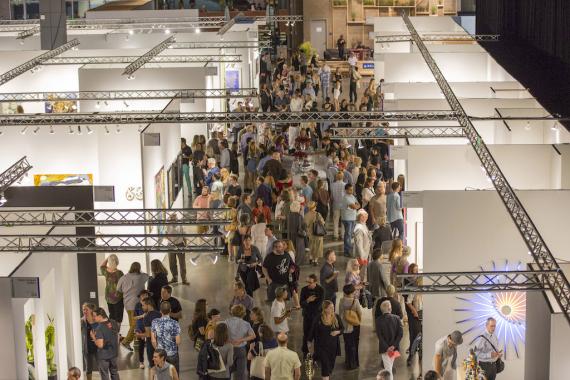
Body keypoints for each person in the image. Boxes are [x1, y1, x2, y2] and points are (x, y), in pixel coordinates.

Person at [116, 262, 149, 351]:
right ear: (139, 268)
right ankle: (126, 342)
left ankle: (136, 342)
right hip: (137, 305)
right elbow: (147, 276)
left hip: (127, 304)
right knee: (134, 325)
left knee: (133, 324)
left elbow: (118, 289)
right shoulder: (141, 277)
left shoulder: (123, 277)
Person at [308, 300, 343, 380]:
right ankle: (325, 376)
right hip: (321, 346)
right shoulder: (319, 318)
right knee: (325, 366)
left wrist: (337, 332)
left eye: (333, 307)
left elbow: (342, 329)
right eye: (330, 307)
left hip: (333, 346)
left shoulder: (336, 317)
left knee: (330, 365)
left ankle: (324, 370)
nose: (332, 309)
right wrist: (309, 341)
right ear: (325, 309)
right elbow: (312, 330)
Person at [225, 305, 256, 380]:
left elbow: (222, 334)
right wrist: (241, 340)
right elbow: (253, 336)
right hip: (241, 349)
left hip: (229, 348)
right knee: (241, 373)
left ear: (232, 312)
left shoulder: (227, 321)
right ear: (243, 313)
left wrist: (228, 341)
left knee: (227, 371)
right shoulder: (246, 324)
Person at [151, 301, 182, 375]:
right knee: (174, 375)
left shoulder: (155, 322)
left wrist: (158, 350)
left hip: (160, 355)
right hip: (172, 354)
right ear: (170, 310)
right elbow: (178, 341)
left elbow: (153, 340)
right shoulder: (175, 323)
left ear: (160, 310)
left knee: (161, 376)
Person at [375, 300, 403, 377]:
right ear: (390, 309)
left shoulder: (378, 320)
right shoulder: (397, 318)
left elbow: (379, 336)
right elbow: (400, 334)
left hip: (384, 349)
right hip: (394, 348)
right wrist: (393, 346)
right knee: (389, 367)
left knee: (388, 369)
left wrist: (387, 347)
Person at [90, 308, 120, 380]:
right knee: (114, 373)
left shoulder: (99, 328)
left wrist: (93, 337)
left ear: (100, 316)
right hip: (114, 353)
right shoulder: (113, 322)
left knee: (104, 375)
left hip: (104, 356)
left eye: (94, 316)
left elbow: (100, 345)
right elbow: (118, 336)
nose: (93, 318)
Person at [339, 284, 362, 370]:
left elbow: (340, 313)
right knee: (355, 344)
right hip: (355, 325)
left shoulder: (341, 301)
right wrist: (358, 321)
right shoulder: (355, 301)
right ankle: (354, 363)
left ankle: (348, 362)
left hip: (345, 326)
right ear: (353, 292)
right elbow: (360, 313)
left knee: (347, 344)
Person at [299, 274, 324, 356]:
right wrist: (308, 301)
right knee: (306, 334)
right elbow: (301, 304)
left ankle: (317, 353)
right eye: (307, 282)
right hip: (307, 316)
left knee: (317, 335)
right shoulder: (304, 290)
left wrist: (307, 305)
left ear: (315, 282)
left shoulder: (321, 290)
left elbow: (319, 305)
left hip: (317, 317)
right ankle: (305, 352)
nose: (308, 284)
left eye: (310, 282)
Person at [99, 255, 124, 325]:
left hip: (109, 297)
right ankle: (117, 332)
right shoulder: (120, 273)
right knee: (118, 316)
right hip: (118, 297)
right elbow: (123, 285)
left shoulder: (106, 272)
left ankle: (112, 332)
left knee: (112, 315)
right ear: (117, 262)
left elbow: (102, 266)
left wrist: (107, 258)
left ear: (109, 262)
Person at [166, 214, 189, 285]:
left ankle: (184, 279)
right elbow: (165, 234)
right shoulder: (167, 226)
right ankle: (174, 278)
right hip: (171, 246)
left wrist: (186, 245)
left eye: (175, 218)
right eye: (172, 218)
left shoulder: (181, 225)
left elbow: (184, 235)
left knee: (182, 263)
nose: (174, 219)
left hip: (180, 245)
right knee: (172, 263)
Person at [341, 183, 360, 257]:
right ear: (346, 190)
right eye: (350, 189)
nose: (352, 191)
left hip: (353, 217)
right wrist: (355, 206)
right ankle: (347, 251)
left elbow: (358, 204)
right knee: (348, 234)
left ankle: (348, 248)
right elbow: (354, 206)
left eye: (352, 189)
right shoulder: (345, 198)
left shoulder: (352, 196)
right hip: (347, 218)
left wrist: (356, 206)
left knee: (350, 234)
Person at [304, 201, 325, 266]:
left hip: (310, 234)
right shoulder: (317, 214)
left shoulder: (306, 215)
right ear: (314, 207)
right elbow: (322, 222)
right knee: (318, 247)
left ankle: (310, 258)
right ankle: (315, 260)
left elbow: (305, 225)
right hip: (318, 234)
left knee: (311, 246)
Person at [141, 298, 161, 367]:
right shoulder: (160, 314)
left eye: (143, 305)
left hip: (151, 346)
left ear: (148, 305)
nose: (142, 307)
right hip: (161, 344)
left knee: (152, 367)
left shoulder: (147, 317)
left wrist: (139, 335)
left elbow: (148, 334)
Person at [353, 209, 372, 281]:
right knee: (360, 273)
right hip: (361, 255)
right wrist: (362, 257)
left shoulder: (363, 225)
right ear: (361, 217)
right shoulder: (359, 228)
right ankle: (360, 289)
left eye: (367, 216)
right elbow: (359, 244)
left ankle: (361, 288)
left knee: (363, 273)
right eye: (365, 216)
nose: (367, 218)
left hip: (365, 254)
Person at [81, 303, 98, 380]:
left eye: (86, 309)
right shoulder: (82, 321)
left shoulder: (96, 319)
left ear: (91, 310)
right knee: (88, 367)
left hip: (98, 346)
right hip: (87, 348)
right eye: (83, 309)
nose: (84, 311)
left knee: (101, 365)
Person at [330, 171, 346, 240]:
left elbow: (332, 196)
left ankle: (335, 235)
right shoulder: (345, 185)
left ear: (336, 177)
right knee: (343, 221)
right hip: (343, 204)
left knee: (335, 220)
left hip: (335, 204)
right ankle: (342, 235)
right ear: (343, 177)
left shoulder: (332, 185)